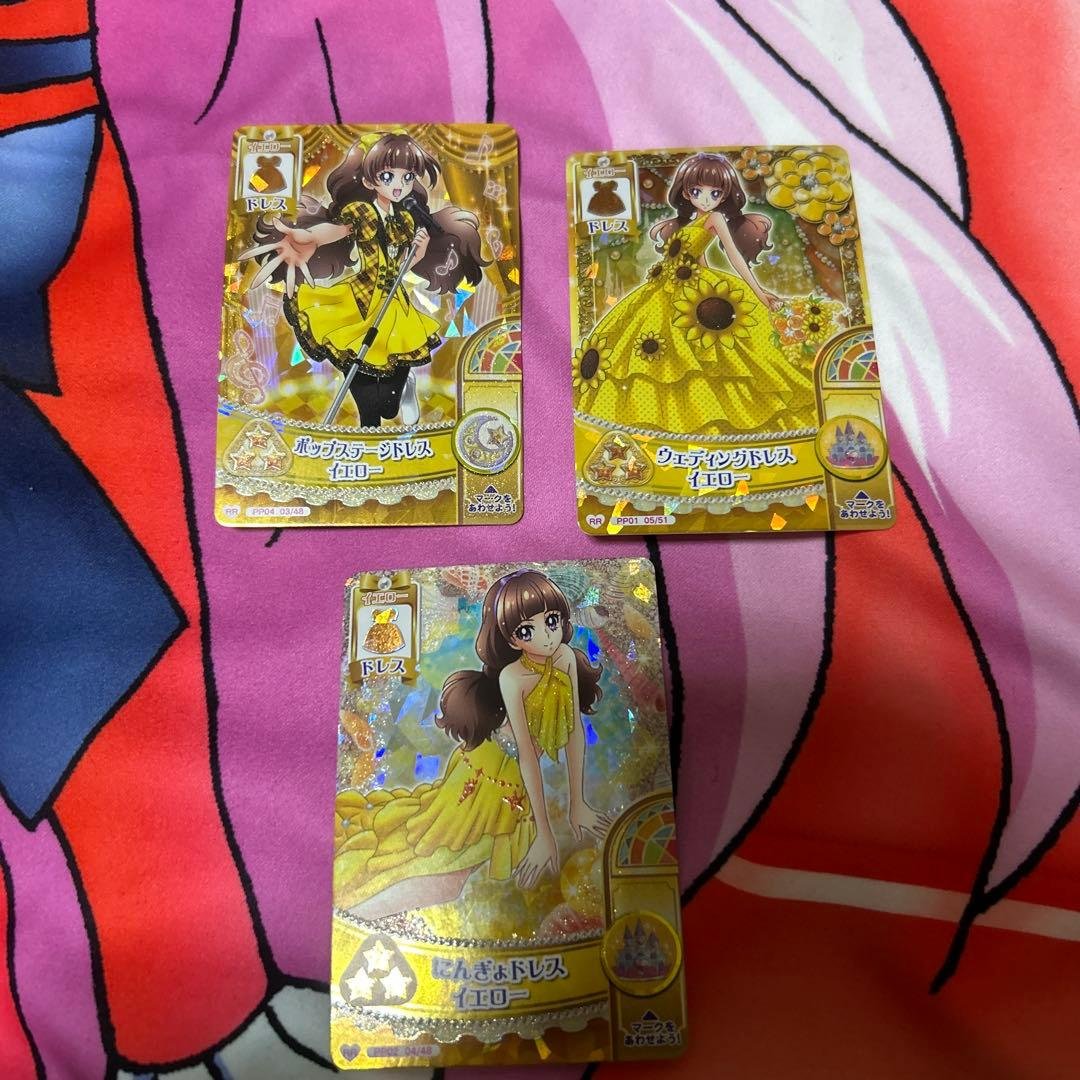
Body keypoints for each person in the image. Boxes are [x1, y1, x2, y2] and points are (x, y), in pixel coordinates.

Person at [335, 569, 610, 920]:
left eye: (552, 621)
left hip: (513, 783)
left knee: (460, 870)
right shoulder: (513, 678)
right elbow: (527, 755)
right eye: (527, 630)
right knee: (443, 865)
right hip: (486, 778)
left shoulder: (566, 658)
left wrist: (579, 805)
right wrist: (545, 834)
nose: (546, 637)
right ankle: (359, 914)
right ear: (512, 640)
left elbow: (573, 734)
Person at [241, 131, 486, 427]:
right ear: (370, 181)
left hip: (393, 306)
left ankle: (405, 387)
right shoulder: (361, 211)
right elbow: (337, 230)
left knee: (388, 406)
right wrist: (310, 237)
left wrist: (419, 251)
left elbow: (403, 264)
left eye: (407, 177)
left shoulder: (406, 220)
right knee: (369, 406)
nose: (398, 185)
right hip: (357, 300)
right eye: (388, 176)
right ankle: (366, 441)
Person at [572, 152, 817, 436]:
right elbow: (699, 259)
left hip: (690, 289)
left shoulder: (715, 218)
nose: (706, 198)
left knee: (713, 354)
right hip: (669, 289)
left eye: (716, 193)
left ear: (724, 195)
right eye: (697, 191)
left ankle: (722, 419)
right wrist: (699, 281)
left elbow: (735, 256)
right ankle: (668, 420)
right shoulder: (689, 225)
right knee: (663, 356)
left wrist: (759, 293)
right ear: (686, 193)